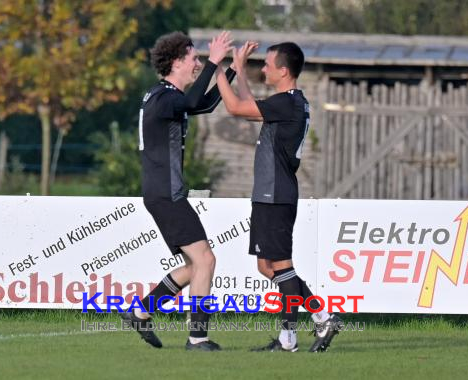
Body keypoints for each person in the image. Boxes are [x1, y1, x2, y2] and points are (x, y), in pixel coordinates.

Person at [215, 41, 342, 352]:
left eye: (269, 65)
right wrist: (239, 69)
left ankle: (294, 335)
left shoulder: (287, 103)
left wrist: (217, 68)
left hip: (276, 194)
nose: (265, 69)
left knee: (282, 266)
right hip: (269, 194)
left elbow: (234, 107)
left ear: (284, 71)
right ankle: (321, 317)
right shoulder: (287, 103)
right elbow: (249, 107)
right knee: (267, 267)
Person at [121, 31, 234, 351]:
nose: (198, 63)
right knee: (206, 260)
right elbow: (196, 100)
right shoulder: (164, 96)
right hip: (166, 193)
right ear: (176, 62)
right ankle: (197, 338)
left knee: (195, 265)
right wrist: (215, 61)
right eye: (194, 58)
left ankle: (141, 311)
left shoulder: (168, 96)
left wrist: (233, 68)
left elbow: (206, 102)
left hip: (165, 192)